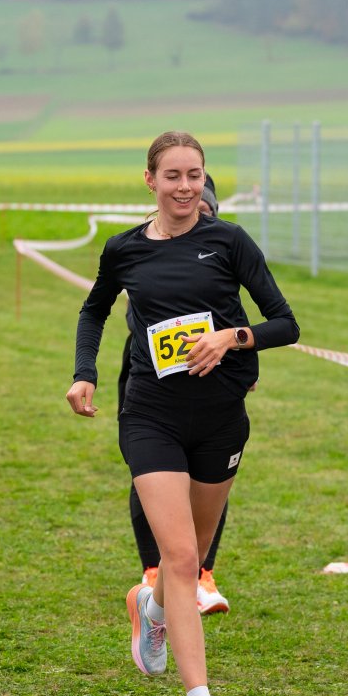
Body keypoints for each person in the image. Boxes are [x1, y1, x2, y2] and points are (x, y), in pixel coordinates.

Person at [67, 131, 299, 696]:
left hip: (221, 420)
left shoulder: (229, 241)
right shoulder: (124, 249)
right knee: (180, 557)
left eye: (194, 175)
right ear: (150, 180)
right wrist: (85, 372)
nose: (185, 187)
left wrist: (231, 338)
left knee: (190, 562)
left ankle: (150, 609)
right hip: (151, 416)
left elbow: (286, 323)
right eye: (173, 175)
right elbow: (94, 310)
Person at [118, 174, 230, 616]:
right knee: (151, 473)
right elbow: (126, 312)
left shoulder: (224, 248)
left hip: (213, 379)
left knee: (210, 479)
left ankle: (202, 573)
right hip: (149, 379)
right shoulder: (143, 249)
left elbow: (235, 313)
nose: (193, 216)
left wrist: (239, 355)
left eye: (204, 212)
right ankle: (153, 570)